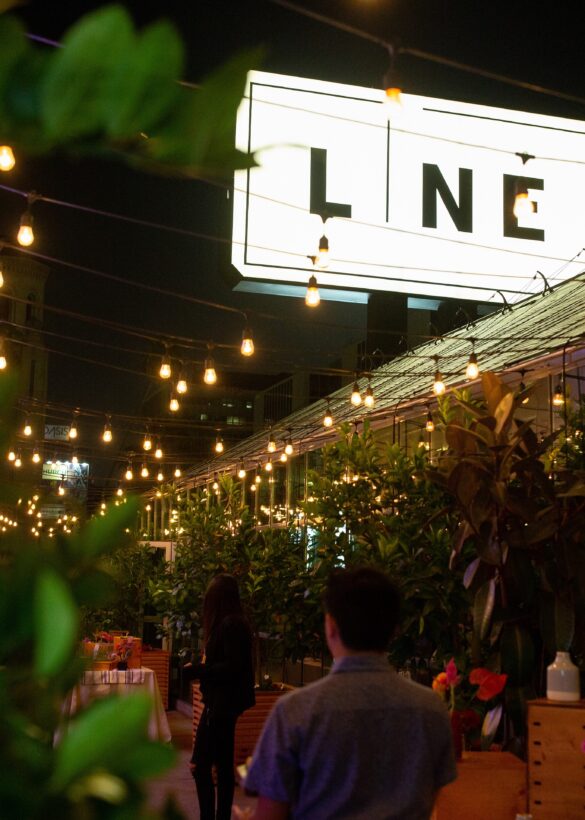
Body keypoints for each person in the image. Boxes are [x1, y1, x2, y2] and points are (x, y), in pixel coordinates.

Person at [242, 567, 457, 820]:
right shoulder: (430, 708)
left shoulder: (294, 712)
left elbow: (271, 815)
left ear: (331, 626)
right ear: (394, 630)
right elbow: (431, 801)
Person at [187, 573, 255, 820]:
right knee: (223, 764)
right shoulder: (235, 623)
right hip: (223, 703)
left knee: (200, 765)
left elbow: (231, 667)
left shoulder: (229, 625)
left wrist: (198, 670)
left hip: (221, 704)